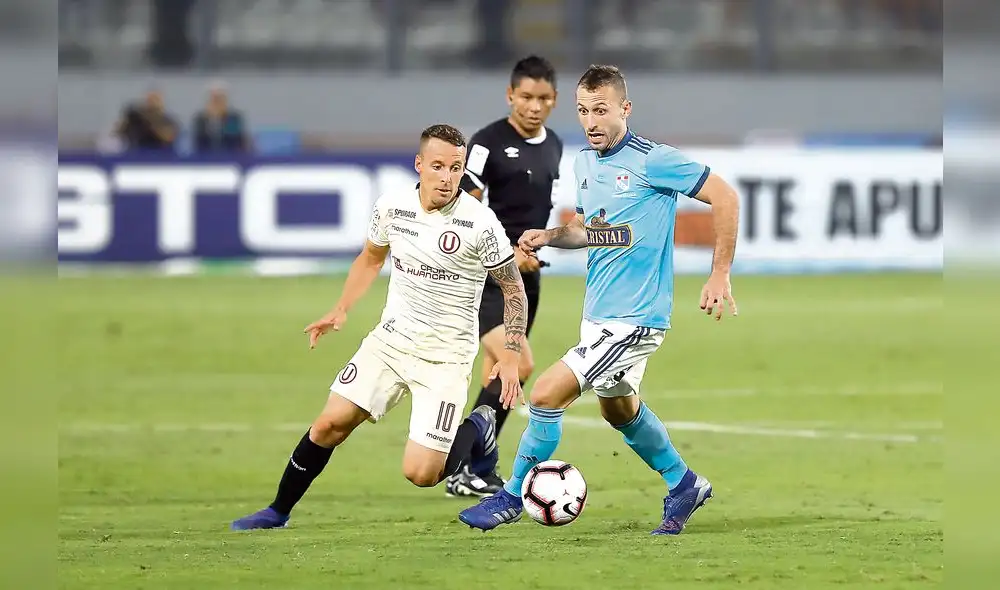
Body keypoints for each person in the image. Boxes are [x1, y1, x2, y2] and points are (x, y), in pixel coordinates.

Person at [458, 65, 741, 535]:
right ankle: (684, 483)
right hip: (599, 315)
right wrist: (549, 236)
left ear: (624, 109)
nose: (591, 121)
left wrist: (720, 272)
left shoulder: (653, 160)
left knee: (546, 393)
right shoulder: (586, 163)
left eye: (601, 110)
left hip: (635, 318)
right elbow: (588, 229)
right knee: (620, 409)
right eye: (583, 111)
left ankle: (509, 496)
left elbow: (725, 197)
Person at [231, 124, 529, 530]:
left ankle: (479, 427)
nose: (447, 177)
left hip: (445, 358)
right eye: (437, 166)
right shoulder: (392, 206)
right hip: (390, 342)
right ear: (419, 164)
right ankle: (277, 511)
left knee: (421, 473)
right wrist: (340, 309)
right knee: (329, 424)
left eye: (455, 168)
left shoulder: (480, 222)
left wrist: (510, 356)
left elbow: (513, 289)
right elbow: (371, 258)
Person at [445, 55, 565, 499]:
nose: (534, 106)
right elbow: (463, 208)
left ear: (554, 100)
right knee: (520, 364)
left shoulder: (554, 144)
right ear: (510, 95)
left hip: (527, 278)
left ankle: (473, 469)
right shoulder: (486, 143)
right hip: (486, 276)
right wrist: (507, 252)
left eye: (543, 98)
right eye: (526, 97)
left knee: (495, 374)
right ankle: (461, 466)